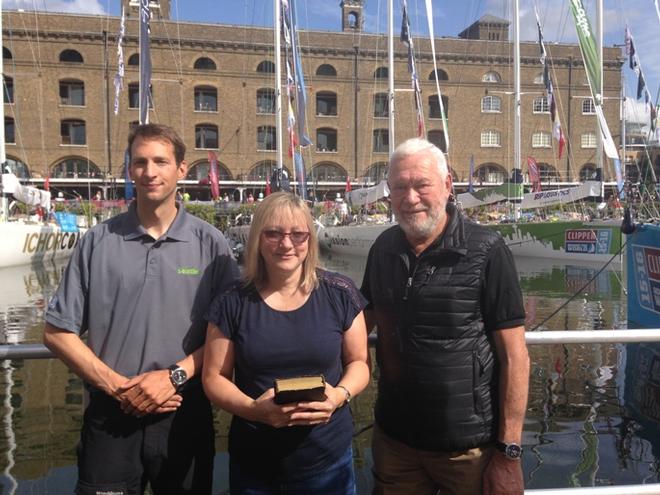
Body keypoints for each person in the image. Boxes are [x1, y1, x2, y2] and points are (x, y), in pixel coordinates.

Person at [43, 123, 240, 495]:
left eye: (161, 161)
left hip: (184, 410)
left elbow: (229, 336)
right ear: (129, 169)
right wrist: (118, 387)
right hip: (110, 413)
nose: (150, 172)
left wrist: (173, 377)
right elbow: (56, 333)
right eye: (140, 162)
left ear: (182, 169)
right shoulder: (97, 241)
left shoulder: (210, 244)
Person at [361, 138, 529, 495]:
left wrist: (508, 452)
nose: (410, 198)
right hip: (395, 442)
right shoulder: (383, 248)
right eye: (399, 187)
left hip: (468, 450)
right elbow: (359, 322)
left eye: (422, 185)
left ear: (447, 186)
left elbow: (515, 358)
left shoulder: (487, 250)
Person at [203, 191, 370, 494]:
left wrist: (339, 395)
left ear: (310, 238)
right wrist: (255, 409)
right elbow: (214, 377)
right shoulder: (233, 300)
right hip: (256, 463)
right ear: (257, 238)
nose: (287, 244)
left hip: (327, 461)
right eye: (274, 233)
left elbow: (359, 362)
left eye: (298, 234)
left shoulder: (340, 293)